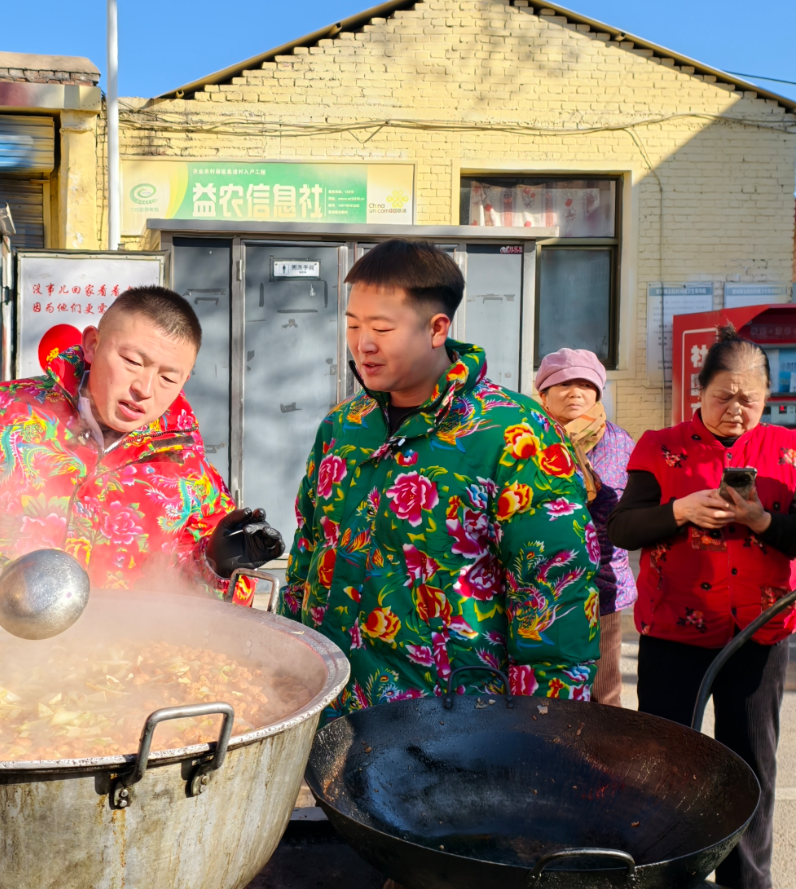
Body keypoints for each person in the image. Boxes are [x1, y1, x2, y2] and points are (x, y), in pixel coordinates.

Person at [281, 238, 600, 713]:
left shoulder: (514, 435)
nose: (363, 344)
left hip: (454, 726)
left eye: (382, 328)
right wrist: (290, 669)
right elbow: (307, 557)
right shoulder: (342, 428)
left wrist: (543, 734)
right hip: (333, 713)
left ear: (436, 328)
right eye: (352, 325)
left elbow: (555, 596)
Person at [0, 285, 285, 601]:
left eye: (168, 377)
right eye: (132, 361)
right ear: (92, 345)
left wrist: (218, 561)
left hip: (122, 674)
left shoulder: (186, 469)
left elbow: (204, 605)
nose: (144, 389)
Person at [607, 325, 796, 889]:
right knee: (666, 769)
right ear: (699, 392)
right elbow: (622, 528)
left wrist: (762, 521)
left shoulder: (788, 451)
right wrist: (681, 509)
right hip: (674, 635)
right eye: (723, 397)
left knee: (752, 766)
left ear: (767, 396)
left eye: (750, 399)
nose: (736, 410)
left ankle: (747, 880)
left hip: (760, 635)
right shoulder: (659, 446)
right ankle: (669, 875)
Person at [535, 348, 637, 706]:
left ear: (597, 391)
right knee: (548, 694)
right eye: (563, 383)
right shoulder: (525, 440)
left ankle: (604, 761)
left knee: (604, 693)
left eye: (584, 383)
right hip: (540, 588)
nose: (575, 391)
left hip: (604, 588)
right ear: (543, 393)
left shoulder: (620, 443)